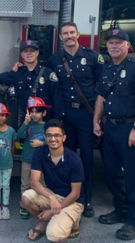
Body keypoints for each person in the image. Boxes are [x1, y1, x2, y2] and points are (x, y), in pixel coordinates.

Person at [93, 29, 135, 240]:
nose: (114, 46)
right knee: (110, 172)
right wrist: (96, 121)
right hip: (110, 128)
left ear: (128, 45)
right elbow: (101, 96)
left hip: (130, 129)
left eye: (119, 42)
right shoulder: (109, 67)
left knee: (132, 176)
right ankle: (121, 210)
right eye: (110, 43)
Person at [46, 22, 104, 217]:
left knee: (87, 158)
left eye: (72, 32)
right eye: (65, 33)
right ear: (60, 37)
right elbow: (42, 76)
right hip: (65, 116)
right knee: (66, 158)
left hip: (86, 116)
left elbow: (101, 87)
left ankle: (86, 200)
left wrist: (99, 117)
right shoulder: (55, 59)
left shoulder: (93, 57)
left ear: (78, 34)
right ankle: (66, 197)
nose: (69, 36)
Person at [23, 119, 84, 242]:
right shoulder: (40, 153)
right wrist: (51, 197)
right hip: (53, 195)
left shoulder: (74, 160)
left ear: (64, 138)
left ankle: (75, 219)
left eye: (57, 135)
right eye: (49, 135)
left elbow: (75, 193)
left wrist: (52, 211)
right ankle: (41, 224)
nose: (53, 139)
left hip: (72, 200)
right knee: (26, 196)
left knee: (54, 236)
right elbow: (34, 182)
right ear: (45, 137)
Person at [0, 40, 60, 128]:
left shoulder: (48, 74)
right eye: (26, 51)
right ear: (22, 55)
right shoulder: (17, 73)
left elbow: (57, 99)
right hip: (26, 122)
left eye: (32, 51)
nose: (29, 53)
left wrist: (57, 122)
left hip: (46, 121)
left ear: (37, 53)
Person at [17, 97, 49, 219]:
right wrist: (25, 123)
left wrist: (42, 143)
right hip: (27, 158)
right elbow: (18, 135)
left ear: (44, 113)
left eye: (37, 111)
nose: (34, 114)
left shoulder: (46, 126)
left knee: (41, 183)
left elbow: (54, 140)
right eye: (32, 111)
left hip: (41, 161)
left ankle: (41, 204)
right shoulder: (28, 124)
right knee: (25, 183)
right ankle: (24, 205)